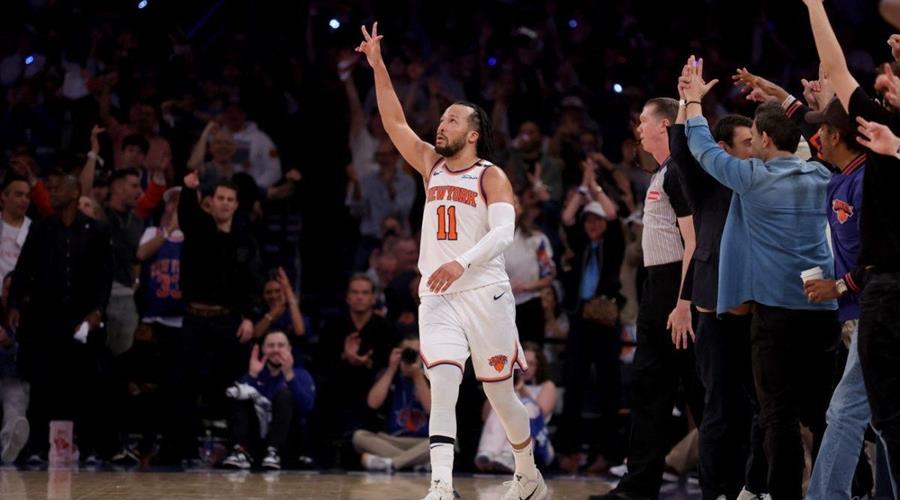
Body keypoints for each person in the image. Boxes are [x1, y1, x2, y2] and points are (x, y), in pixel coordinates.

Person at [356, 22, 547, 500]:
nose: (441, 125)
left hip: (485, 293)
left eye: (452, 120)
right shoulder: (430, 165)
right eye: (441, 119)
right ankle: (440, 484)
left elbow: (503, 233)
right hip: (438, 295)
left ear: (474, 133)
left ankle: (528, 475)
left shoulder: (490, 175)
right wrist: (378, 66)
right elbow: (395, 123)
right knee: (442, 382)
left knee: (500, 394)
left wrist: (461, 263)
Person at [681, 61, 840, 500]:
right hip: (824, 311)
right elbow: (816, 139)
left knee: (778, 415)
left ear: (765, 140)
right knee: (826, 413)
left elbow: (702, 147)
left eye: (755, 135)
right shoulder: (822, 173)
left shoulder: (752, 179)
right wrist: (783, 97)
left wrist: (692, 100)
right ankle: (842, 490)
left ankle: (785, 495)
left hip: (777, 316)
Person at [805, 1, 900, 490]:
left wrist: (814, 5)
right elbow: (837, 73)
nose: (883, 81)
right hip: (878, 293)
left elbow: (839, 69)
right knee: (883, 419)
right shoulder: (878, 135)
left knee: (866, 415)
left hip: (885, 291)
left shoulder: (880, 141)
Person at [595, 96, 704, 500]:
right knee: (648, 390)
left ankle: (728, 485)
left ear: (664, 126)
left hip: (678, 291)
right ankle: (638, 487)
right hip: (656, 288)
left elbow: (694, 242)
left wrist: (684, 303)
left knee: (701, 393)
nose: (638, 128)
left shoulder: (678, 172)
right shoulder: (660, 172)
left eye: (643, 120)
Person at [671, 57, 765, 500]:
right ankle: (714, 492)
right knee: (719, 409)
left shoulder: (760, 179)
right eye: (746, 143)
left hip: (758, 305)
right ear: (722, 148)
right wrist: (687, 103)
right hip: (713, 306)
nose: (754, 148)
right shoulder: (707, 182)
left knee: (758, 408)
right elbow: (681, 151)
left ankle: (751, 488)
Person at [8, 172, 114, 463]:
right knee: (43, 382)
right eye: (50, 188)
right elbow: (23, 269)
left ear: (75, 192)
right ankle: (38, 447)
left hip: (82, 317)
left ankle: (89, 446)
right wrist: (14, 304)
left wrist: (97, 311)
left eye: (57, 189)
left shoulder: (96, 230)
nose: (51, 193)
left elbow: (104, 277)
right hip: (46, 317)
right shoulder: (41, 228)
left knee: (86, 382)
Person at [163, 171, 261, 465]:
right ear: (212, 201)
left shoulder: (245, 240)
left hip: (227, 320)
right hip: (194, 319)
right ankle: (180, 450)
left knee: (232, 385)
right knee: (182, 383)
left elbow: (252, 282)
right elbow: (187, 212)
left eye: (230, 199)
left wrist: (249, 318)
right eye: (220, 198)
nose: (225, 203)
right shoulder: (198, 229)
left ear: (236, 204)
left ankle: (238, 448)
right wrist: (189, 188)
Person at [221, 330, 315, 470]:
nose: (276, 350)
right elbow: (234, 401)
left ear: (289, 349)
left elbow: (307, 408)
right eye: (271, 345)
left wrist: (289, 375)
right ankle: (240, 451)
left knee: (284, 395)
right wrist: (252, 376)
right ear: (263, 349)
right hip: (258, 438)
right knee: (241, 393)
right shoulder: (255, 372)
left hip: (288, 440)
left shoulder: (301, 374)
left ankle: (273, 451)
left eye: (281, 345)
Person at [352, 335, 431, 472]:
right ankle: (417, 463)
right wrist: (392, 368)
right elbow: (373, 403)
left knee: (448, 443)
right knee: (359, 437)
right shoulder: (389, 374)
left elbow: (433, 410)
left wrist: (418, 377)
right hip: (392, 440)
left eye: (417, 353)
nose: (412, 356)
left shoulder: (430, 377)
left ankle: (391, 463)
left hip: (422, 440)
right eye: (408, 352)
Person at [476, 342, 557, 473]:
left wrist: (522, 390)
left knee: (528, 407)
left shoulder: (547, 386)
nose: (526, 367)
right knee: (501, 406)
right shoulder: (507, 387)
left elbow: (541, 414)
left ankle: (510, 454)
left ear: (539, 366)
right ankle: (489, 451)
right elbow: (485, 416)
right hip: (502, 441)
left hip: (538, 443)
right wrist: (500, 390)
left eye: (531, 364)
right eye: (523, 362)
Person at [503, 194, 556, 345]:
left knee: (531, 352)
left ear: (520, 209)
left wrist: (525, 286)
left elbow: (549, 275)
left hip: (530, 306)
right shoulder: (488, 239)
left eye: (514, 204)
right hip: (500, 306)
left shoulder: (537, 240)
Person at [104, 168, 145, 356]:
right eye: (134, 186)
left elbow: (137, 257)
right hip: (100, 293)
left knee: (123, 355)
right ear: (118, 188)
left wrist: (136, 281)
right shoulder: (100, 215)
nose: (139, 191)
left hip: (126, 294)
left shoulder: (137, 222)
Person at [254, 268, 305, 340]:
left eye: (277, 291)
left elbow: (299, 331)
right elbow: (256, 334)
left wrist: (288, 290)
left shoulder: (295, 314)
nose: (274, 296)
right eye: (268, 292)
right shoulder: (258, 314)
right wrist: (277, 309)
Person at [0, 177, 32, 284]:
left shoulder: (34, 229)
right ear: (4, 195)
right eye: (18, 195)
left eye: (27, 196)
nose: (24, 200)